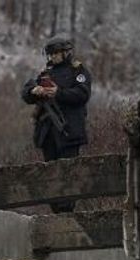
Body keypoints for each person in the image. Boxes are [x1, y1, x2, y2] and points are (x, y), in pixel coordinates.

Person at [21, 36, 92, 212]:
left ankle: (66, 211)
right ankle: (56, 211)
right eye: (50, 54)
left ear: (65, 53)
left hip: (68, 130)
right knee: (49, 175)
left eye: (56, 54)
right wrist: (34, 90)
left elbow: (82, 94)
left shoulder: (78, 71)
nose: (52, 57)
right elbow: (26, 93)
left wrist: (58, 93)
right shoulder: (47, 73)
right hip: (48, 132)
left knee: (68, 174)